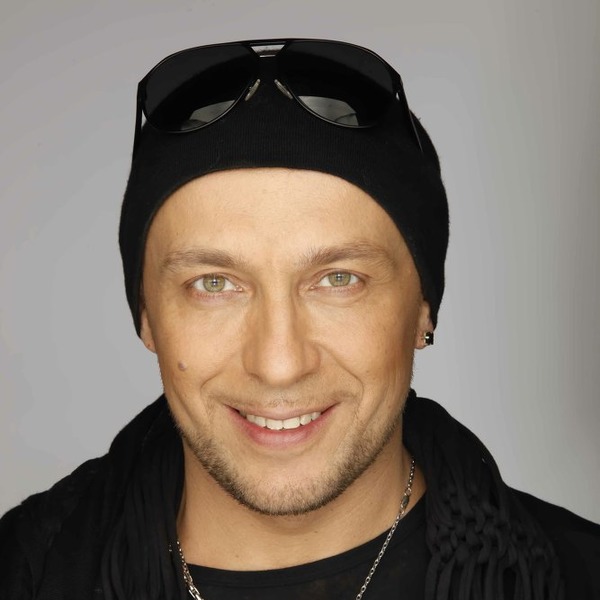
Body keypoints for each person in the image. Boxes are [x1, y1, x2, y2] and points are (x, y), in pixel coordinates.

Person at [1, 38, 598, 600]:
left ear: (423, 309)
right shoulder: (26, 571)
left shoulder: (577, 574)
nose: (280, 364)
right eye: (214, 284)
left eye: (339, 279)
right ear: (147, 317)